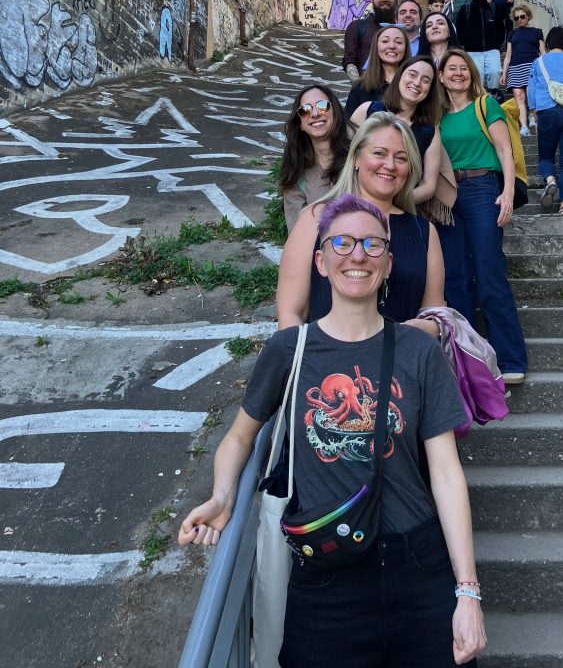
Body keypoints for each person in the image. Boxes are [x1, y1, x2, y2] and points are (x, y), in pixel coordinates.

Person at [179, 192, 486, 668]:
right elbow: (241, 436)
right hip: (327, 574)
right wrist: (223, 497)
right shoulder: (290, 349)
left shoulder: (418, 351)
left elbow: (446, 472)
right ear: (321, 262)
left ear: (387, 264)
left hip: (417, 565)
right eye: (342, 243)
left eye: (372, 245)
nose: (357, 255)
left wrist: (467, 592)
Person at [277, 112, 445, 332]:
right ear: (356, 158)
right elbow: (291, 312)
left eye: (401, 158)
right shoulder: (315, 217)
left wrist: (402, 340)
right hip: (324, 362)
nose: (390, 165)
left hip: (401, 363)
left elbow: (434, 315)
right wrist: (302, 362)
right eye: (379, 153)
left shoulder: (423, 231)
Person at [436, 48, 528, 385]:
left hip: (482, 188)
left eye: (464, 68)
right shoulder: (435, 114)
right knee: (455, 279)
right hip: (446, 194)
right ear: (441, 76)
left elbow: (504, 149)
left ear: (471, 75)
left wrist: (506, 190)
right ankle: (472, 360)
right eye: (451, 69)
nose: (458, 73)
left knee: (489, 271)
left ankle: (511, 358)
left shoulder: (485, 104)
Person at [350, 56, 444, 208]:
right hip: (356, 201)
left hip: (402, 208)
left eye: (426, 80)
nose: (417, 82)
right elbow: (343, 158)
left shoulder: (430, 130)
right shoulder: (366, 110)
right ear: (400, 76)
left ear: (430, 90)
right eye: (412, 74)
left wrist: (388, 202)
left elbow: (429, 186)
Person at [527, 26, 563, 214]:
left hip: (547, 112)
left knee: (546, 156)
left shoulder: (539, 62)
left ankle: (551, 181)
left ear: (549, 43)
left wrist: (535, 115)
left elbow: (531, 91)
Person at [278, 85, 350, 232]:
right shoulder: (296, 173)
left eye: (323, 106)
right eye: (305, 110)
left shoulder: (359, 157)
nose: (315, 114)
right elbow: (297, 233)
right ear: (300, 125)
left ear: (335, 112)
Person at [500, 3, 545, 136]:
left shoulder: (537, 32)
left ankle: (534, 119)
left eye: (522, 16)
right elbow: (508, 55)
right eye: (516, 18)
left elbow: (542, 52)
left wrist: (544, 69)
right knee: (519, 97)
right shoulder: (512, 34)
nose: (519, 19)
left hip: (532, 66)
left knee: (532, 95)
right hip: (515, 67)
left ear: (528, 16)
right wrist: (504, 73)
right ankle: (524, 126)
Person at [345, 25, 409, 116]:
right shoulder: (360, 88)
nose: (392, 46)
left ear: (406, 48)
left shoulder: (413, 85)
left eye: (398, 42)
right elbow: (349, 126)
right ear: (376, 47)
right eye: (385, 41)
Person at [454, 0, 505, 90]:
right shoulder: (465, 9)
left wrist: (498, 43)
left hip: (492, 50)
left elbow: (501, 28)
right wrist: (464, 44)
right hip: (473, 51)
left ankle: (493, 97)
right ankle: (478, 102)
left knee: (495, 72)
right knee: (477, 78)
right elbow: (460, 29)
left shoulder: (493, 8)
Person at [341, 0, 396, 82]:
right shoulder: (356, 27)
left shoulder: (400, 29)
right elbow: (349, 62)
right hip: (367, 92)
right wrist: (359, 90)